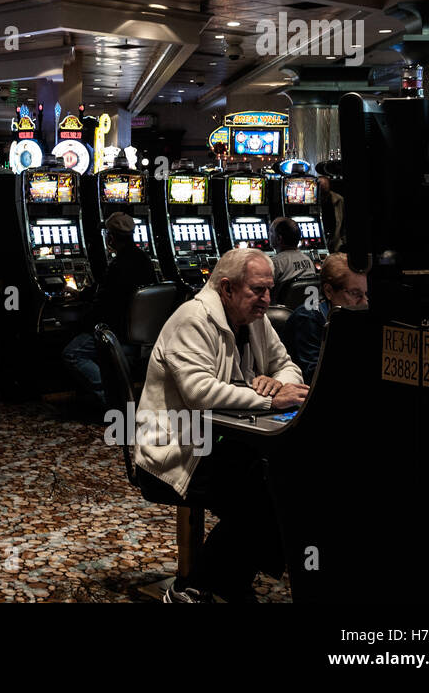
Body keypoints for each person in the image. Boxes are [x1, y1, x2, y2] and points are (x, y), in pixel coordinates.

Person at [134, 248, 308, 603]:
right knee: (264, 496)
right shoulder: (193, 319)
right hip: (175, 449)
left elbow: (286, 365)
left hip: (218, 439)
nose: (267, 299)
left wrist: (279, 382)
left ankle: (219, 580)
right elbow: (199, 393)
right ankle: (195, 587)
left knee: (282, 483)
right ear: (227, 289)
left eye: (269, 290)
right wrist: (268, 399)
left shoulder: (254, 318)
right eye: (258, 290)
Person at [61, 212, 157, 416]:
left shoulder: (119, 265)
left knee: (72, 353)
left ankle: (114, 401)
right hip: (141, 335)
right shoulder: (144, 261)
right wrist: (84, 294)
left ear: (111, 238)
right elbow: (106, 290)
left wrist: (80, 320)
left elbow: (104, 307)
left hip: (117, 334)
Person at [280, 252, 368, 382]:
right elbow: (315, 376)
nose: (365, 302)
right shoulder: (307, 319)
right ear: (328, 291)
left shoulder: (354, 314)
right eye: (355, 294)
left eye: (366, 294)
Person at [268, 217, 315, 290]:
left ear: (279, 238)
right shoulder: (308, 260)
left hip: (281, 301)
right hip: (305, 301)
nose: (268, 234)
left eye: (271, 232)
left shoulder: (275, 263)